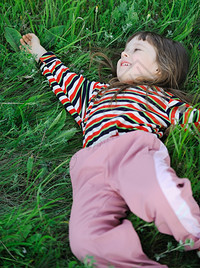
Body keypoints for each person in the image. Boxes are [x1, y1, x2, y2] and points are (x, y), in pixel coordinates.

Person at [20, 32, 200, 268]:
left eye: (137, 50)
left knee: (158, 194)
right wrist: (39, 52)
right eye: (126, 49)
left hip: (132, 151)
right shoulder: (93, 93)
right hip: (90, 168)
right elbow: (63, 78)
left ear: (160, 70)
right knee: (85, 241)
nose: (125, 53)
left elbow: (194, 118)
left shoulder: (162, 98)